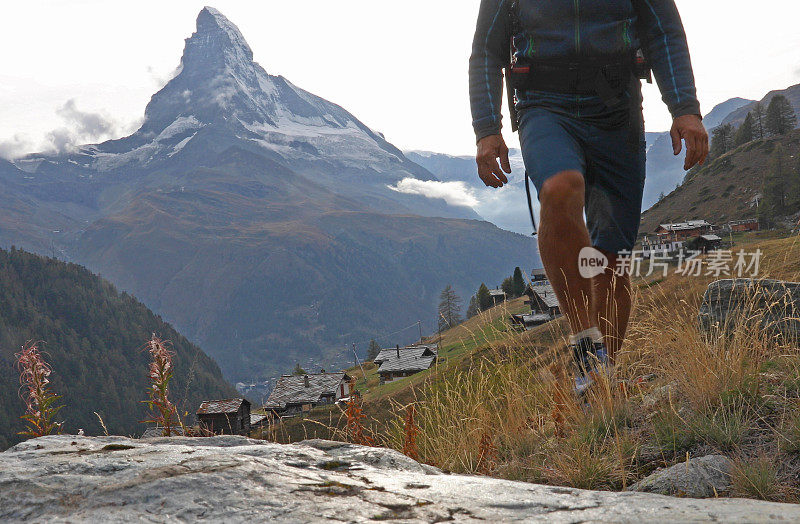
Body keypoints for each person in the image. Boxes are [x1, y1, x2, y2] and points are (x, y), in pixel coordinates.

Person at [469, 0, 708, 393]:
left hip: (617, 109)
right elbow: (486, 51)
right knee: (560, 188)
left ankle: (600, 382)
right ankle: (586, 348)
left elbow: (664, 32)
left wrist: (685, 108)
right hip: (543, 106)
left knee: (611, 257)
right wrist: (486, 128)